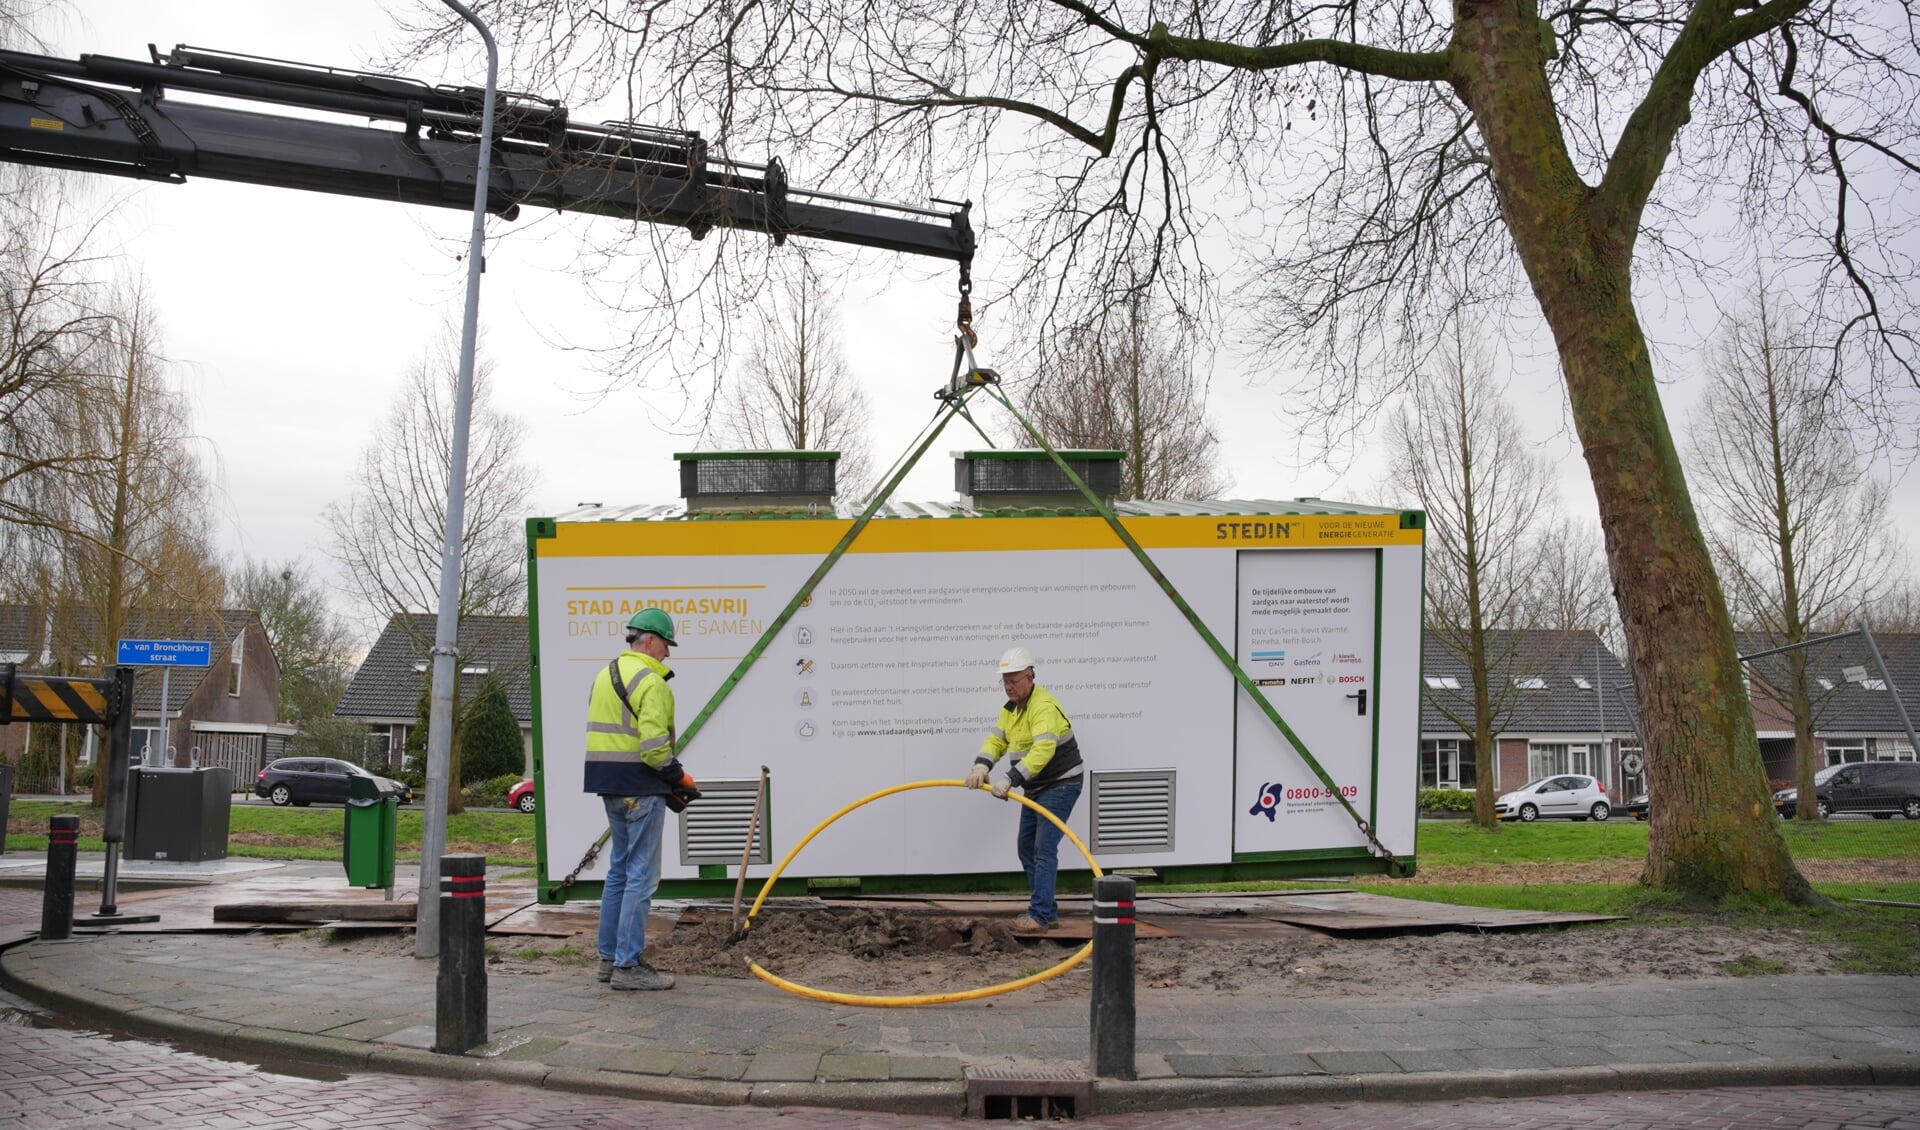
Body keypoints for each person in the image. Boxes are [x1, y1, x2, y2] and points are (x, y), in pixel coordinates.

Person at [583, 607, 691, 991]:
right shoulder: (651, 681)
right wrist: (678, 777)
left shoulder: (605, 675)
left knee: (619, 873)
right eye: (665, 644)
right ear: (648, 640)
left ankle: (609, 960)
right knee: (641, 876)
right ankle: (629, 967)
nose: (668, 653)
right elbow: (653, 748)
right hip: (641, 788)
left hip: (609, 786)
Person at [965, 646, 1085, 930]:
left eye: (1014, 680)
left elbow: (1043, 750)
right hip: (1036, 787)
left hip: (1061, 783)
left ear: (1030, 678)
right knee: (1026, 847)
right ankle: (1047, 909)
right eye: (1005, 681)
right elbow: (996, 741)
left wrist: (1010, 779)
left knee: (1043, 847)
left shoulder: (1043, 707)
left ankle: (1040, 915)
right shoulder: (1011, 710)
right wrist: (981, 766)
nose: (1008, 686)